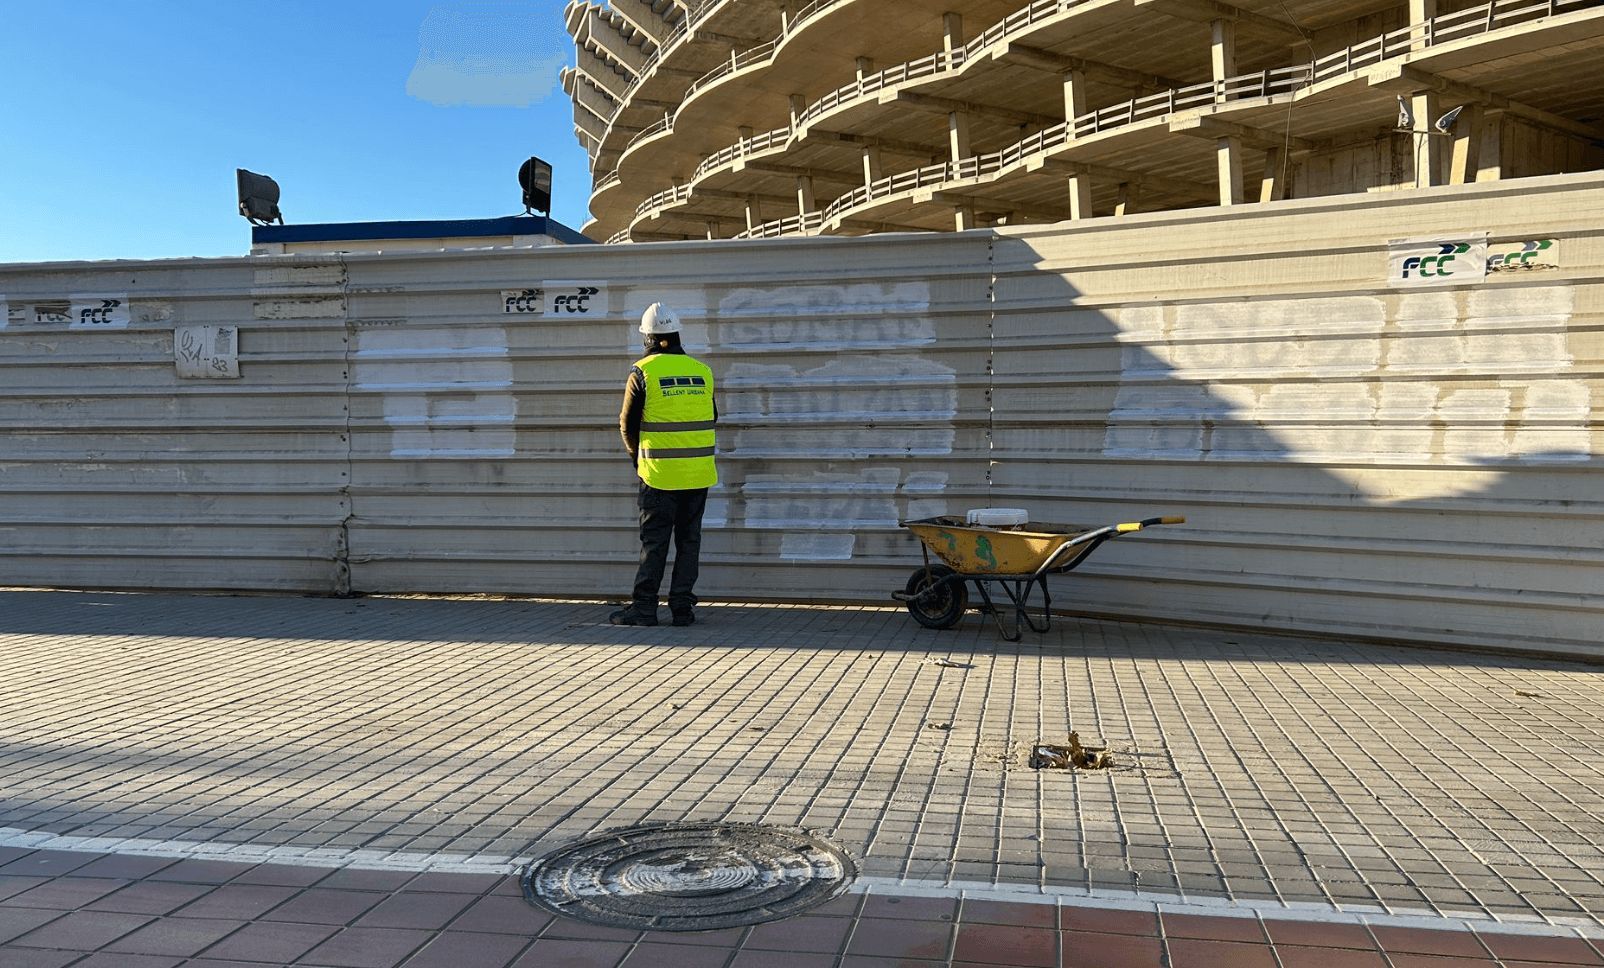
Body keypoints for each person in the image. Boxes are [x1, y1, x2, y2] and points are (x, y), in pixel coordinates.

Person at [610, 303, 717, 627]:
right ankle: (682, 609)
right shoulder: (702, 371)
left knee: (654, 544)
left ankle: (644, 608)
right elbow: (712, 416)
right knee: (689, 542)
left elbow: (627, 425)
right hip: (698, 474)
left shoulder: (642, 372)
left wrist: (638, 460)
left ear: (648, 337)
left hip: (658, 475)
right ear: (677, 333)